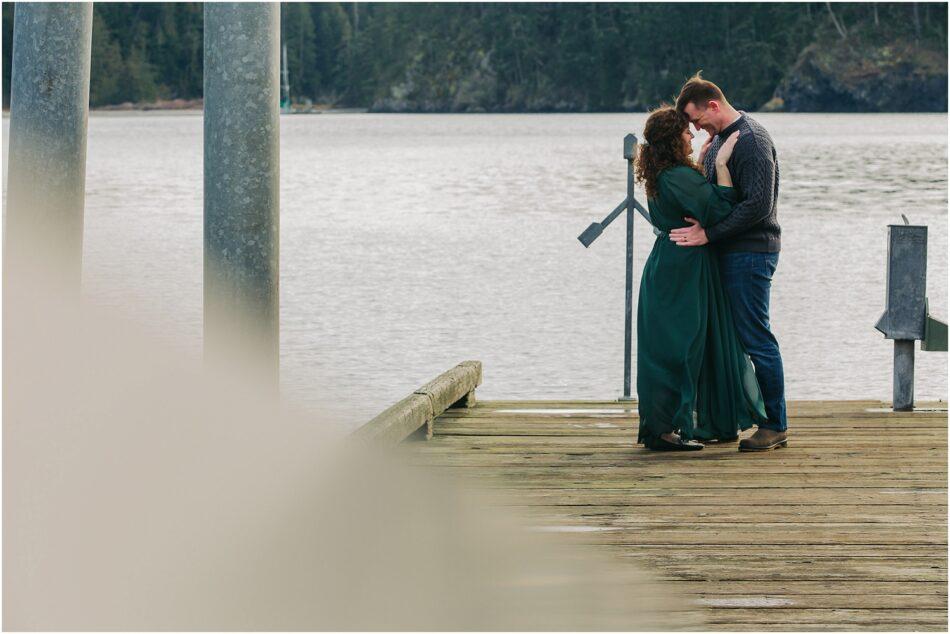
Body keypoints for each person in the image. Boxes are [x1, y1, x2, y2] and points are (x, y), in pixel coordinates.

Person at [634, 106, 767, 451]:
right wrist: (721, 165)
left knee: (676, 344)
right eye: (685, 131)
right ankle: (665, 431)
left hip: (672, 263)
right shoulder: (677, 176)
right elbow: (721, 208)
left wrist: (703, 164)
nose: (691, 135)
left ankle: (670, 426)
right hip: (683, 268)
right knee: (682, 345)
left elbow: (697, 201)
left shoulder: (665, 173)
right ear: (672, 138)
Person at [671, 72, 788, 452]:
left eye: (696, 118)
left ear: (714, 105)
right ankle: (733, 416)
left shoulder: (751, 141)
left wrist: (709, 234)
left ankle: (774, 425)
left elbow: (758, 205)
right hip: (733, 252)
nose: (694, 126)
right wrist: (704, 160)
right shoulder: (720, 138)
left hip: (752, 252)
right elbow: (719, 196)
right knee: (737, 338)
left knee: (757, 338)